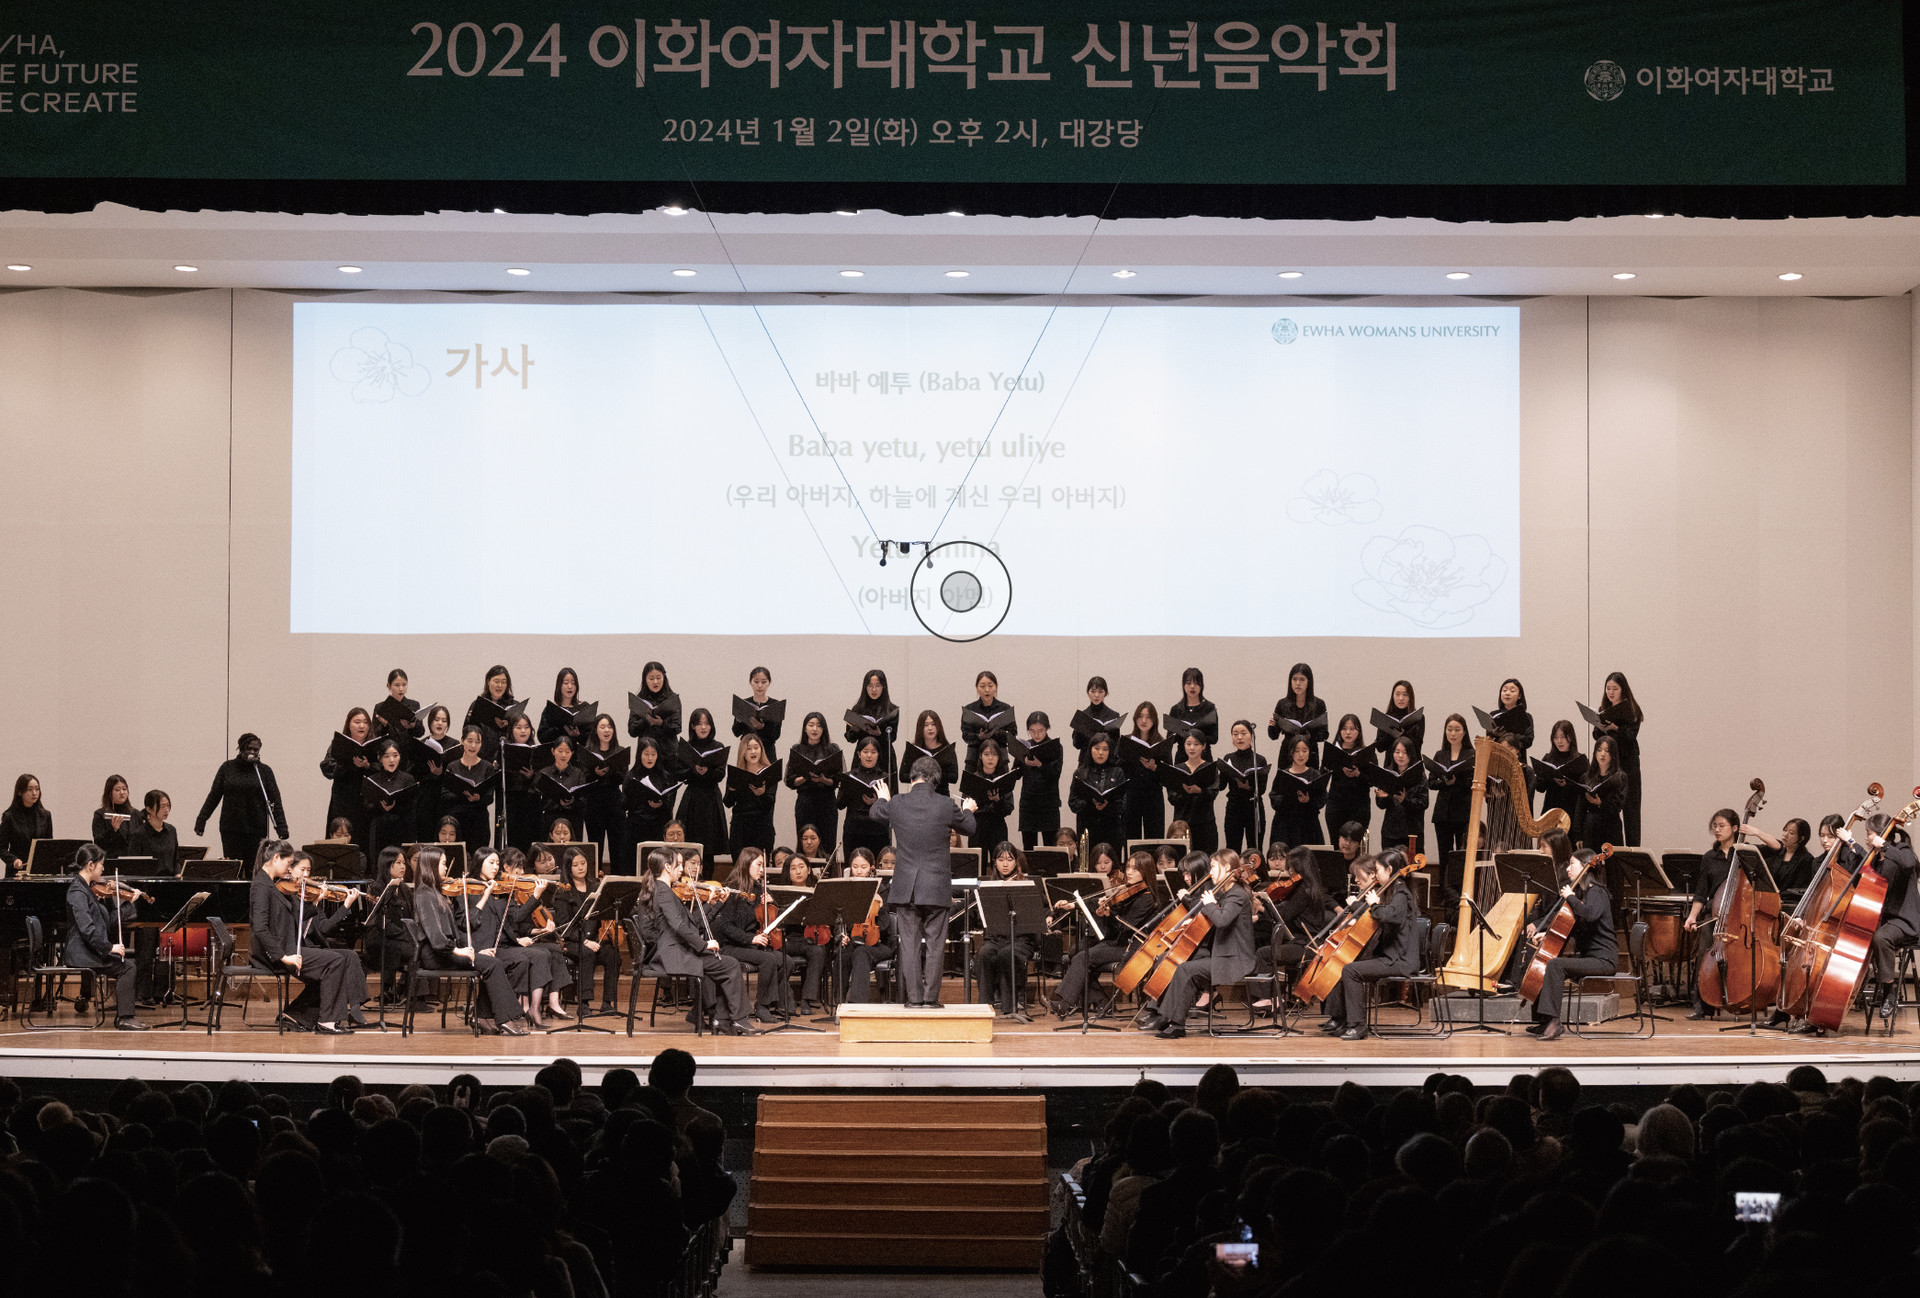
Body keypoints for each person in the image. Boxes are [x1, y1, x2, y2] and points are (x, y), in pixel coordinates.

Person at [872, 756, 977, 1007]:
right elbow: (970, 827)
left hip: (906, 886)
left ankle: (914, 999)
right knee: (935, 945)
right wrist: (968, 809)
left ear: (912, 778)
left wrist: (884, 798)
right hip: (936, 886)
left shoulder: (898, 802)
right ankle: (930, 999)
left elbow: (875, 813)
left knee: (908, 945)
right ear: (936, 781)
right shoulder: (946, 804)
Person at [247, 841, 366, 1035]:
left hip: (287, 946)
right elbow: (260, 928)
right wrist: (283, 957)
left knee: (344, 957)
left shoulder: (273, 884)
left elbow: (295, 917)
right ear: (276, 858)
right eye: (289, 863)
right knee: (335, 961)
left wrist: (316, 901)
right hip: (276, 953)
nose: (289, 869)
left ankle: (301, 1015)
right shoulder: (261, 885)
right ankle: (327, 1021)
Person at [411, 845, 531, 1035]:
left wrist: (472, 948)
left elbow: (453, 930)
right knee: (493, 964)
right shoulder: (424, 894)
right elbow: (436, 936)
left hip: (448, 951)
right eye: (443, 864)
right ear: (431, 865)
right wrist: (457, 950)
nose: (445, 868)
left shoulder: (436, 891)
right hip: (437, 955)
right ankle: (505, 1019)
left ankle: (482, 1017)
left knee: (493, 962)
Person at [1140, 850, 1255, 1039]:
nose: (1210, 872)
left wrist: (1209, 904)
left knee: (1185, 970)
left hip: (1235, 960)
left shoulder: (1237, 895)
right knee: (1184, 968)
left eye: (1214, 867)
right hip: (1224, 955)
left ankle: (1173, 1022)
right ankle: (1170, 1020)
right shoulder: (1228, 893)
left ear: (1227, 868)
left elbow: (1222, 921)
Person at [636, 847, 751, 1034]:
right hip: (674, 955)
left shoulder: (663, 890)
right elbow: (679, 926)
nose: (682, 869)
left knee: (726, 964)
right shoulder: (664, 892)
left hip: (677, 951)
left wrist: (715, 904)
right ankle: (735, 1019)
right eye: (679, 864)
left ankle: (722, 1019)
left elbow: (693, 922)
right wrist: (704, 945)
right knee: (729, 965)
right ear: (667, 867)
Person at [1518, 837, 1616, 1041]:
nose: (1568, 869)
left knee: (1555, 965)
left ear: (1586, 867)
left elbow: (1590, 914)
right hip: (1590, 959)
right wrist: (1548, 934)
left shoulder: (1597, 892)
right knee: (1548, 962)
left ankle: (1554, 1023)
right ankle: (1544, 1021)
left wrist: (1570, 897)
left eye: (1572, 864)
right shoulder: (1583, 894)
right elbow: (1575, 926)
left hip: (1603, 960)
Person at [1320, 850, 1419, 1041]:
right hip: (1391, 956)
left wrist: (1373, 904)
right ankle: (1344, 1020)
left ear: (1389, 869)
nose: (1376, 875)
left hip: (1400, 960)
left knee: (1351, 971)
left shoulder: (1401, 894)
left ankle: (1358, 1026)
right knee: (1346, 965)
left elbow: (1389, 915)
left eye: (1378, 870)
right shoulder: (1394, 891)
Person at [1054, 850, 1159, 1016]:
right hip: (1117, 942)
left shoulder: (1146, 898)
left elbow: (1124, 927)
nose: (1129, 872)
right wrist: (1076, 905)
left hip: (1132, 947)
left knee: (1082, 958)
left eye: (1135, 869)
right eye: (1128, 867)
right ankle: (1103, 1003)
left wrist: (1110, 914)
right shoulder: (1129, 891)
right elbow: (1105, 910)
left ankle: (1063, 1004)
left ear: (1146, 871)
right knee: (1080, 955)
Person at [65, 843, 146, 1030]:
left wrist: (129, 903)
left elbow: (108, 921)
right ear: (90, 865)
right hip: (82, 953)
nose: (103, 868)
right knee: (127, 968)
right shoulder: (77, 892)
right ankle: (124, 1018)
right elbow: (87, 930)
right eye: (101, 864)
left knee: (128, 965)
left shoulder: (88, 889)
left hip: (90, 949)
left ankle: (124, 1017)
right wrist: (109, 948)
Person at [714, 848, 797, 1023]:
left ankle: (776, 1003)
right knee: (769, 959)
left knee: (787, 961)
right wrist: (750, 938)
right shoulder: (732, 890)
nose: (762, 870)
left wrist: (772, 903)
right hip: (731, 945)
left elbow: (774, 917)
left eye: (763, 866)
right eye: (759, 865)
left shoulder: (760, 890)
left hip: (751, 945)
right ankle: (762, 1006)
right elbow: (725, 926)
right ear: (746, 864)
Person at [1682, 807, 1744, 1020]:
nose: (1717, 830)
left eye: (1722, 826)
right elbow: (1701, 892)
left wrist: (1754, 832)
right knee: (1704, 957)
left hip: (1739, 916)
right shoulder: (1709, 857)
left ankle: (1738, 999)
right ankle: (1702, 1006)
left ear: (1735, 828)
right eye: (1715, 826)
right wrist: (1692, 916)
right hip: (1713, 914)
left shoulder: (1744, 854)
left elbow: (1776, 847)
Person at [194, 734, 290, 865]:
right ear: (241, 749)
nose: (252, 752)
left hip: (256, 829)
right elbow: (214, 796)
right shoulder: (227, 768)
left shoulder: (264, 771)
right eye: (249, 748)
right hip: (231, 828)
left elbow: (275, 801)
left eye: (256, 749)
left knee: (254, 868)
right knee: (235, 866)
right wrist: (202, 820)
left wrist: (281, 827)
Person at [550, 846, 619, 1014]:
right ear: (568, 868)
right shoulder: (563, 892)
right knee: (586, 953)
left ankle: (607, 1003)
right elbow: (564, 926)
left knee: (613, 955)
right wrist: (584, 941)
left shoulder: (596, 887)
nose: (581, 867)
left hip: (594, 939)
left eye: (583, 863)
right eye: (575, 865)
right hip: (571, 942)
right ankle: (584, 1003)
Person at [1867, 817, 1920, 1022]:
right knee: (1865, 935)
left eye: (1869, 833)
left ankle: (1889, 990)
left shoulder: (1902, 849)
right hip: (1886, 919)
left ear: (1881, 834)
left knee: (1881, 938)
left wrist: (1885, 846)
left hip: (1905, 921)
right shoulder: (1875, 859)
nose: (1867, 837)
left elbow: (1908, 863)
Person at [1264, 845, 1334, 998]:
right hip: (1304, 941)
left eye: (1292, 867)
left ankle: (1267, 999)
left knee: (1263, 954)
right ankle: (1279, 995)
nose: (1290, 871)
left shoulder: (1304, 891)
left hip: (1305, 945)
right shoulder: (1312, 887)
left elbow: (1285, 916)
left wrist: (1264, 907)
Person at [976, 843, 1037, 1015]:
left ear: (1016, 862)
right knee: (984, 954)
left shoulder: (1025, 884)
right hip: (995, 938)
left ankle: (1009, 1006)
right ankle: (985, 1006)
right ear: (994, 862)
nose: (1005, 864)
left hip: (1021, 940)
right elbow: (978, 914)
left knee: (1006, 954)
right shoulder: (987, 885)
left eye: (1009, 860)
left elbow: (1036, 913)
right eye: (1001, 859)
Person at [1591, 671, 1645, 844]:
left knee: (1631, 811)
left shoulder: (1632, 710)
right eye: (1608, 688)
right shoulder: (1603, 710)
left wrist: (1615, 728)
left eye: (1615, 688)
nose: (1611, 692)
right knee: (1608, 808)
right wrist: (1602, 728)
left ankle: (1633, 851)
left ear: (1623, 689)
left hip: (1628, 765)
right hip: (1610, 767)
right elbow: (1596, 735)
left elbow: (1631, 736)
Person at [841, 848, 896, 1004]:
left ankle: (857, 1004)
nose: (859, 871)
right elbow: (840, 920)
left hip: (880, 944)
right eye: (855, 867)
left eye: (863, 867)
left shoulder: (883, 890)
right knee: (843, 954)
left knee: (861, 952)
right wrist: (842, 935)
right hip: (855, 940)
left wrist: (881, 907)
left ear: (871, 868)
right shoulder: (845, 890)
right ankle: (838, 1001)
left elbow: (885, 926)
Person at [786, 710, 842, 856]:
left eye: (819, 725)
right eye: (811, 725)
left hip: (827, 801)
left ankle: (828, 870)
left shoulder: (832, 749)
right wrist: (806, 777)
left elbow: (837, 779)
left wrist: (823, 779)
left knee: (828, 842)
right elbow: (790, 780)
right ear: (805, 728)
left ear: (824, 729)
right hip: (805, 801)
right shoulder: (797, 749)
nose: (814, 729)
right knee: (806, 843)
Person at [674, 708, 729, 853]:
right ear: (693, 726)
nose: (703, 727)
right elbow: (678, 773)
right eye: (699, 724)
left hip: (711, 797)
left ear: (711, 726)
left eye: (707, 723)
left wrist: (708, 771)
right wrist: (693, 770)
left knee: (709, 846)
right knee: (689, 845)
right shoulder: (686, 747)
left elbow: (721, 774)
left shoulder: (718, 746)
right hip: (692, 797)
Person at [321, 707, 377, 846]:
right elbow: (327, 768)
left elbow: (383, 769)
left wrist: (367, 766)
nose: (362, 726)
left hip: (366, 803)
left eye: (365, 722)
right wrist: (347, 763)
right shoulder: (339, 744)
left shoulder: (376, 745)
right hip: (343, 801)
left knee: (365, 841)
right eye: (357, 722)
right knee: (341, 841)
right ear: (349, 725)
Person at [579, 713, 628, 864]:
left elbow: (623, 778)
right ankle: (596, 876)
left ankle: (617, 876)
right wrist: (595, 773)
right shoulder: (587, 751)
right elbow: (583, 779)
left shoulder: (620, 751)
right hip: (593, 804)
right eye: (603, 727)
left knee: (617, 846)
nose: (607, 730)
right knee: (596, 845)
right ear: (595, 730)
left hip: (615, 803)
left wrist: (610, 771)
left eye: (610, 727)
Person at [438, 725, 496, 849]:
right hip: (456, 820)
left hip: (479, 820)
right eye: (470, 741)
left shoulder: (487, 767)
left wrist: (478, 798)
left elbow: (490, 797)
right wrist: (462, 794)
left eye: (477, 742)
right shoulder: (452, 766)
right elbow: (444, 794)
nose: (473, 746)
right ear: (462, 741)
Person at [1163, 732, 1221, 855]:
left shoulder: (1210, 768)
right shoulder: (1177, 769)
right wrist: (1184, 792)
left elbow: (1213, 793)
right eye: (1188, 744)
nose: (1192, 748)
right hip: (1182, 823)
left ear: (1203, 746)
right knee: (1181, 857)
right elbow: (1172, 798)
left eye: (1196, 744)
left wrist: (1200, 791)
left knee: (1205, 858)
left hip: (1205, 823)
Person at [1321, 714, 1374, 843]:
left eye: (1352, 729)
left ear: (1359, 731)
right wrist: (1337, 768)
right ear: (1339, 731)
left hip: (1359, 806)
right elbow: (1323, 775)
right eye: (1344, 728)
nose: (1348, 732)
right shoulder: (1333, 751)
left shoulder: (1367, 752)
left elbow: (1373, 780)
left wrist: (1358, 774)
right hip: (1336, 805)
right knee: (1337, 844)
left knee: (1357, 844)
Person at [1428, 714, 1474, 862]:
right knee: (1444, 856)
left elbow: (1473, 782)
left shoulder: (1471, 754)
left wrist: (1456, 782)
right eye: (1449, 729)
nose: (1453, 734)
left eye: (1457, 730)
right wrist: (1445, 783)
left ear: (1464, 732)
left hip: (1463, 812)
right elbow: (1431, 783)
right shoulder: (1440, 754)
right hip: (1443, 813)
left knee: (1462, 856)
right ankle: (1444, 879)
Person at [1374, 737, 1429, 860]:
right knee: (1389, 865)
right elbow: (1380, 805)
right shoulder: (1387, 773)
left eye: (1405, 752)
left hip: (1412, 832)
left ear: (1411, 754)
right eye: (1397, 752)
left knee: (1413, 866)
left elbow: (1423, 803)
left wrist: (1405, 801)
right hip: (1390, 831)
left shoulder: (1419, 775)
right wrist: (1384, 797)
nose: (1400, 756)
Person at [364, 739, 419, 861]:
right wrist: (380, 806)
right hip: (379, 829)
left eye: (395, 755)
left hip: (402, 828)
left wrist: (397, 806)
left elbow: (412, 806)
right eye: (387, 756)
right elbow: (367, 806)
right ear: (379, 758)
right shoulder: (373, 779)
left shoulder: (408, 778)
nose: (391, 760)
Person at [1120, 702, 1168, 841]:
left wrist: (1155, 768)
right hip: (1132, 794)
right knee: (1130, 837)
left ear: (1154, 720)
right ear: (1135, 719)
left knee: (1154, 837)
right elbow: (1119, 769)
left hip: (1153, 796)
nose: (1144, 720)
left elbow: (1168, 775)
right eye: (1140, 716)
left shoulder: (1162, 743)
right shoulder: (1127, 741)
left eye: (1148, 717)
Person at [724, 735, 779, 856]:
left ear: (761, 750)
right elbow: (728, 802)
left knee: (761, 864)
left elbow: (770, 802)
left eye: (756, 747)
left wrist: (761, 794)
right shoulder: (736, 773)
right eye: (748, 748)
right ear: (743, 752)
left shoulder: (769, 772)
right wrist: (732, 790)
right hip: (740, 828)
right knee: (740, 864)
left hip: (762, 826)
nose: (753, 752)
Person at [1071, 734, 1127, 851]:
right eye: (1097, 748)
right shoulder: (1080, 773)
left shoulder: (1118, 772)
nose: (1100, 753)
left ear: (1110, 751)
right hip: (1087, 827)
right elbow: (1073, 802)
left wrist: (1108, 805)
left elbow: (1123, 803)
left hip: (1111, 828)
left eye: (1105, 749)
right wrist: (1090, 804)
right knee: (1087, 861)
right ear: (1090, 749)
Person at [839, 736, 893, 858]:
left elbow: (893, 806)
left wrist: (878, 801)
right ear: (859, 754)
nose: (869, 756)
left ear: (878, 755)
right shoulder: (850, 776)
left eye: (873, 752)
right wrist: (849, 789)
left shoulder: (886, 777)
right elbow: (840, 804)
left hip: (878, 831)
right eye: (865, 751)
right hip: (854, 830)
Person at [1219, 721, 1268, 854]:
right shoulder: (1228, 758)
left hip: (1254, 807)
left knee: (1255, 849)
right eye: (1235, 734)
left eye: (1243, 733)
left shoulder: (1259, 760)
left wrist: (1249, 788)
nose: (1239, 737)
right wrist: (1220, 770)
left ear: (1251, 736)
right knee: (1232, 848)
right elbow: (1221, 786)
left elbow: (1262, 789)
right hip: (1234, 808)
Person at [1267, 735, 1324, 850]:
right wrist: (1288, 798)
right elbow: (1274, 798)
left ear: (1309, 752)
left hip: (1308, 825)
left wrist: (1308, 800)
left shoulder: (1315, 774)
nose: (1301, 755)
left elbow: (1322, 798)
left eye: (1304, 750)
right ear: (1291, 752)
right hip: (1285, 825)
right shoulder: (1283, 774)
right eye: (1297, 751)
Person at [535, 736, 591, 843]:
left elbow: (583, 800)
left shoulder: (578, 773)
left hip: (573, 818)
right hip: (550, 818)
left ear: (572, 753)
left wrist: (572, 801)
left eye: (567, 752)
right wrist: (556, 801)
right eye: (560, 751)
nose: (564, 755)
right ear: (553, 751)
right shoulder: (544, 773)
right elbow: (539, 800)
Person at [960, 670, 1017, 771]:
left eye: (990, 686)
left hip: (1000, 758)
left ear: (996, 687)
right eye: (982, 686)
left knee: (1001, 781)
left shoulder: (1005, 709)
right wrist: (979, 736)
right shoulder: (970, 709)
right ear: (977, 688)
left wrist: (997, 733)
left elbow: (1012, 734)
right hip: (974, 759)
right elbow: (965, 736)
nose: (987, 690)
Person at [1537, 721, 1588, 831]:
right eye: (1555, 737)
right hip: (1551, 810)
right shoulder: (1548, 759)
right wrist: (1551, 779)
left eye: (1563, 737)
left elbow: (1585, 789)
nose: (1559, 741)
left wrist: (1569, 784)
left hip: (1572, 810)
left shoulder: (1580, 760)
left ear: (1571, 737)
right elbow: (1540, 788)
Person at [1268, 662, 1328, 757]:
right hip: (1287, 752)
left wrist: (1309, 735)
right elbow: (1274, 736)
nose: (1298, 683)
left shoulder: (1319, 704)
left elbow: (1324, 735)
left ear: (1309, 682)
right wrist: (1272, 726)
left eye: (1302, 679)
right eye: (1294, 679)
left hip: (1309, 752)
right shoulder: (1282, 704)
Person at [1579, 737, 1629, 850]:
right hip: (1591, 826)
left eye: (1607, 751)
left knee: (1612, 859)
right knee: (1591, 860)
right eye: (1599, 750)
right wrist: (1578, 835)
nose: (1602, 754)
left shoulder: (1620, 777)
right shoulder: (1587, 777)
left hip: (1611, 826)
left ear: (1613, 754)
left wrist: (1601, 803)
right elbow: (1580, 807)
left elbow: (1618, 805)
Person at [967, 738, 1016, 850]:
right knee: (979, 859)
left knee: (999, 858)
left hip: (997, 827)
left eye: (994, 754)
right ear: (980, 756)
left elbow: (1009, 807)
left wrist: (997, 800)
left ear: (999, 757)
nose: (990, 758)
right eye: (986, 754)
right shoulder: (973, 779)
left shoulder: (1004, 779)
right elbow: (966, 806)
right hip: (978, 827)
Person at [731, 665, 785, 758]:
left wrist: (762, 727)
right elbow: (736, 732)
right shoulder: (744, 704)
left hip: (767, 751)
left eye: (764, 682)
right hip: (747, 750)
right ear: (750, 682)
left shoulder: (775, 704)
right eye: (756, 682)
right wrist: (739, 719)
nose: (760, 686)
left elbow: (776, 735)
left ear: (769, 683)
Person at [627, 660, 682, 752]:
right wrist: (645, 720)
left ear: (664, 678)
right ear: (645, 679)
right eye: (651, 679)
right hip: (646, 752)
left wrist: (661, 723)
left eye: (659, 678)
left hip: (668, 752)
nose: (655, 682)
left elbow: (677, 728)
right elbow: (632, 731)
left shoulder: (672, 699)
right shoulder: (638, 701)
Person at [904, 710, 959, 795]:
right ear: (920, 728)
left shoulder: (947, 749)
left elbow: (954, 777)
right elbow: (903, 776)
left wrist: (936, 774)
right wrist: (921, 776)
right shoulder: (913, 749)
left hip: (941, 794)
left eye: (933, 724)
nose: (930, 728)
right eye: (926, 725)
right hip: (919, 794)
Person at [1167, 668, 1219, 758]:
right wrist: (1181, 732)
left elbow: (1214, 738)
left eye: (1196, 683)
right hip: (1182, 757)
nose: (1192, 686)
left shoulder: (1209, 708)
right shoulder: (1176, 709)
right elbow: (1170, 739)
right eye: (1188, 683)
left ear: (1201, 685)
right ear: (1183, 685)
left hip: (1203, 756)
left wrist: (1197, 736)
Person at [127, 789, 179, 874]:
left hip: (170, 879)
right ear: (149, 809)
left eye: (168, 805)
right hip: (149, 880)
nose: (166, 810)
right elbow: (133, 865)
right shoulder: (139, 834)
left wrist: (178, 874)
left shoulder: (171, 830)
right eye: (162, 806)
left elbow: (175, 860)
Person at [539, 666, 590, 749]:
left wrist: (578, 735)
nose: (570, 686)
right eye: (566, 683)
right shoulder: (551, 709)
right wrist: (561, 730)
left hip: (579, 753)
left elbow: (592, 737)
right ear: (559, 685)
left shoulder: (584, 707)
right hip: (557, 753)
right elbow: (542, 737)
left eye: (573, 683)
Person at [371, 668, 424, 744]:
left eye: (404, 685)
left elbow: (420, 733)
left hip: (408, 748)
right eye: (397, 685)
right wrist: (384, 725)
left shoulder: (414, 705)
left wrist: (412, 726)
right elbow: (375, 735)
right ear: (388, 686)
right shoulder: (380, 707)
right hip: (388, 748)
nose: (401, 689)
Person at [1072, 677, 1122, 756]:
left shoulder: (1114, 715)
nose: (1096, 695)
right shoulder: (1082, 716)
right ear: (1088, 692)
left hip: (1106, 759)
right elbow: (1077, 745)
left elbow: (1116, 745)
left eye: (1100, 691)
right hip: (1086, 759)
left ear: (1105, 693)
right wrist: (1080, 730)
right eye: (1093, 691)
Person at [1374, 680, 1425, 758]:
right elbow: (1379, 748)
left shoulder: (1418, 717)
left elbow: (1417, 746)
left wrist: (1404, 733)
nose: (1401, 698)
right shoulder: (1386, 718)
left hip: (1413, 761)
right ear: (1393, 696)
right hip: (1391, 762)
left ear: (1410, 697)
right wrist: (1392, 733)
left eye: (1405, 695)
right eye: (1397, 694)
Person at [1490, 677, 1535, 760]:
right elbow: (1489, 741)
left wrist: (1510, 736)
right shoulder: (1493, 715)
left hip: (1519, 759)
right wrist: (1494, 734)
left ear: (1519, 696)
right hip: (1497, 759)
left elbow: (1529, 741)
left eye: (1512, 691)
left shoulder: (1526, 716)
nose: (1507, 693)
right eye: (1504, 690)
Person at [92, 775, 136, 858]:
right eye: (117, 790)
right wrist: (113, 830)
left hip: (132, 860)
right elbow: (98, 843)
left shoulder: (135, 814)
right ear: (109, 793)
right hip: (110, 859)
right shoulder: (100, 814)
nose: (122, 792)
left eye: (124, 789)